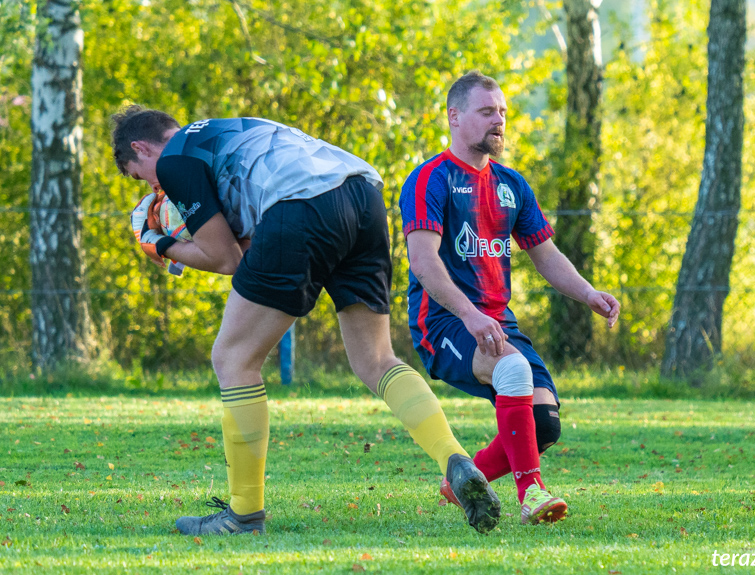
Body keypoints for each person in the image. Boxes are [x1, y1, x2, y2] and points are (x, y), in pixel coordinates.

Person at [111, 106, 501, 535]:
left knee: (232, 358)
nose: (152, 186)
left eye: (139, 175)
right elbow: (248, 244)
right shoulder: (235, 129)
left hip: (302, 205)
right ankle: (455, 459)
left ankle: (243, 516)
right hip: (363, 193)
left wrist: (158, 244)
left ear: (141, 148)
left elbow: (225, 259)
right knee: (376, 360)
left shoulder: (174, 160)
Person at [399, 71, 621, 525]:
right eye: (486, 112)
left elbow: (545, 254)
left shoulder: (511, 185)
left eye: (502, 112)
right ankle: (532, 493)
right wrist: (470, 314)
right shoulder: (429, 180)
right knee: (513, 368)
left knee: (544, 425)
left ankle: (464, 478)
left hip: (498, 321)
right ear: (455, 117)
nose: (498, 121)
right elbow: (423, 262)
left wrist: (588, 293)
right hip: (443, 321)